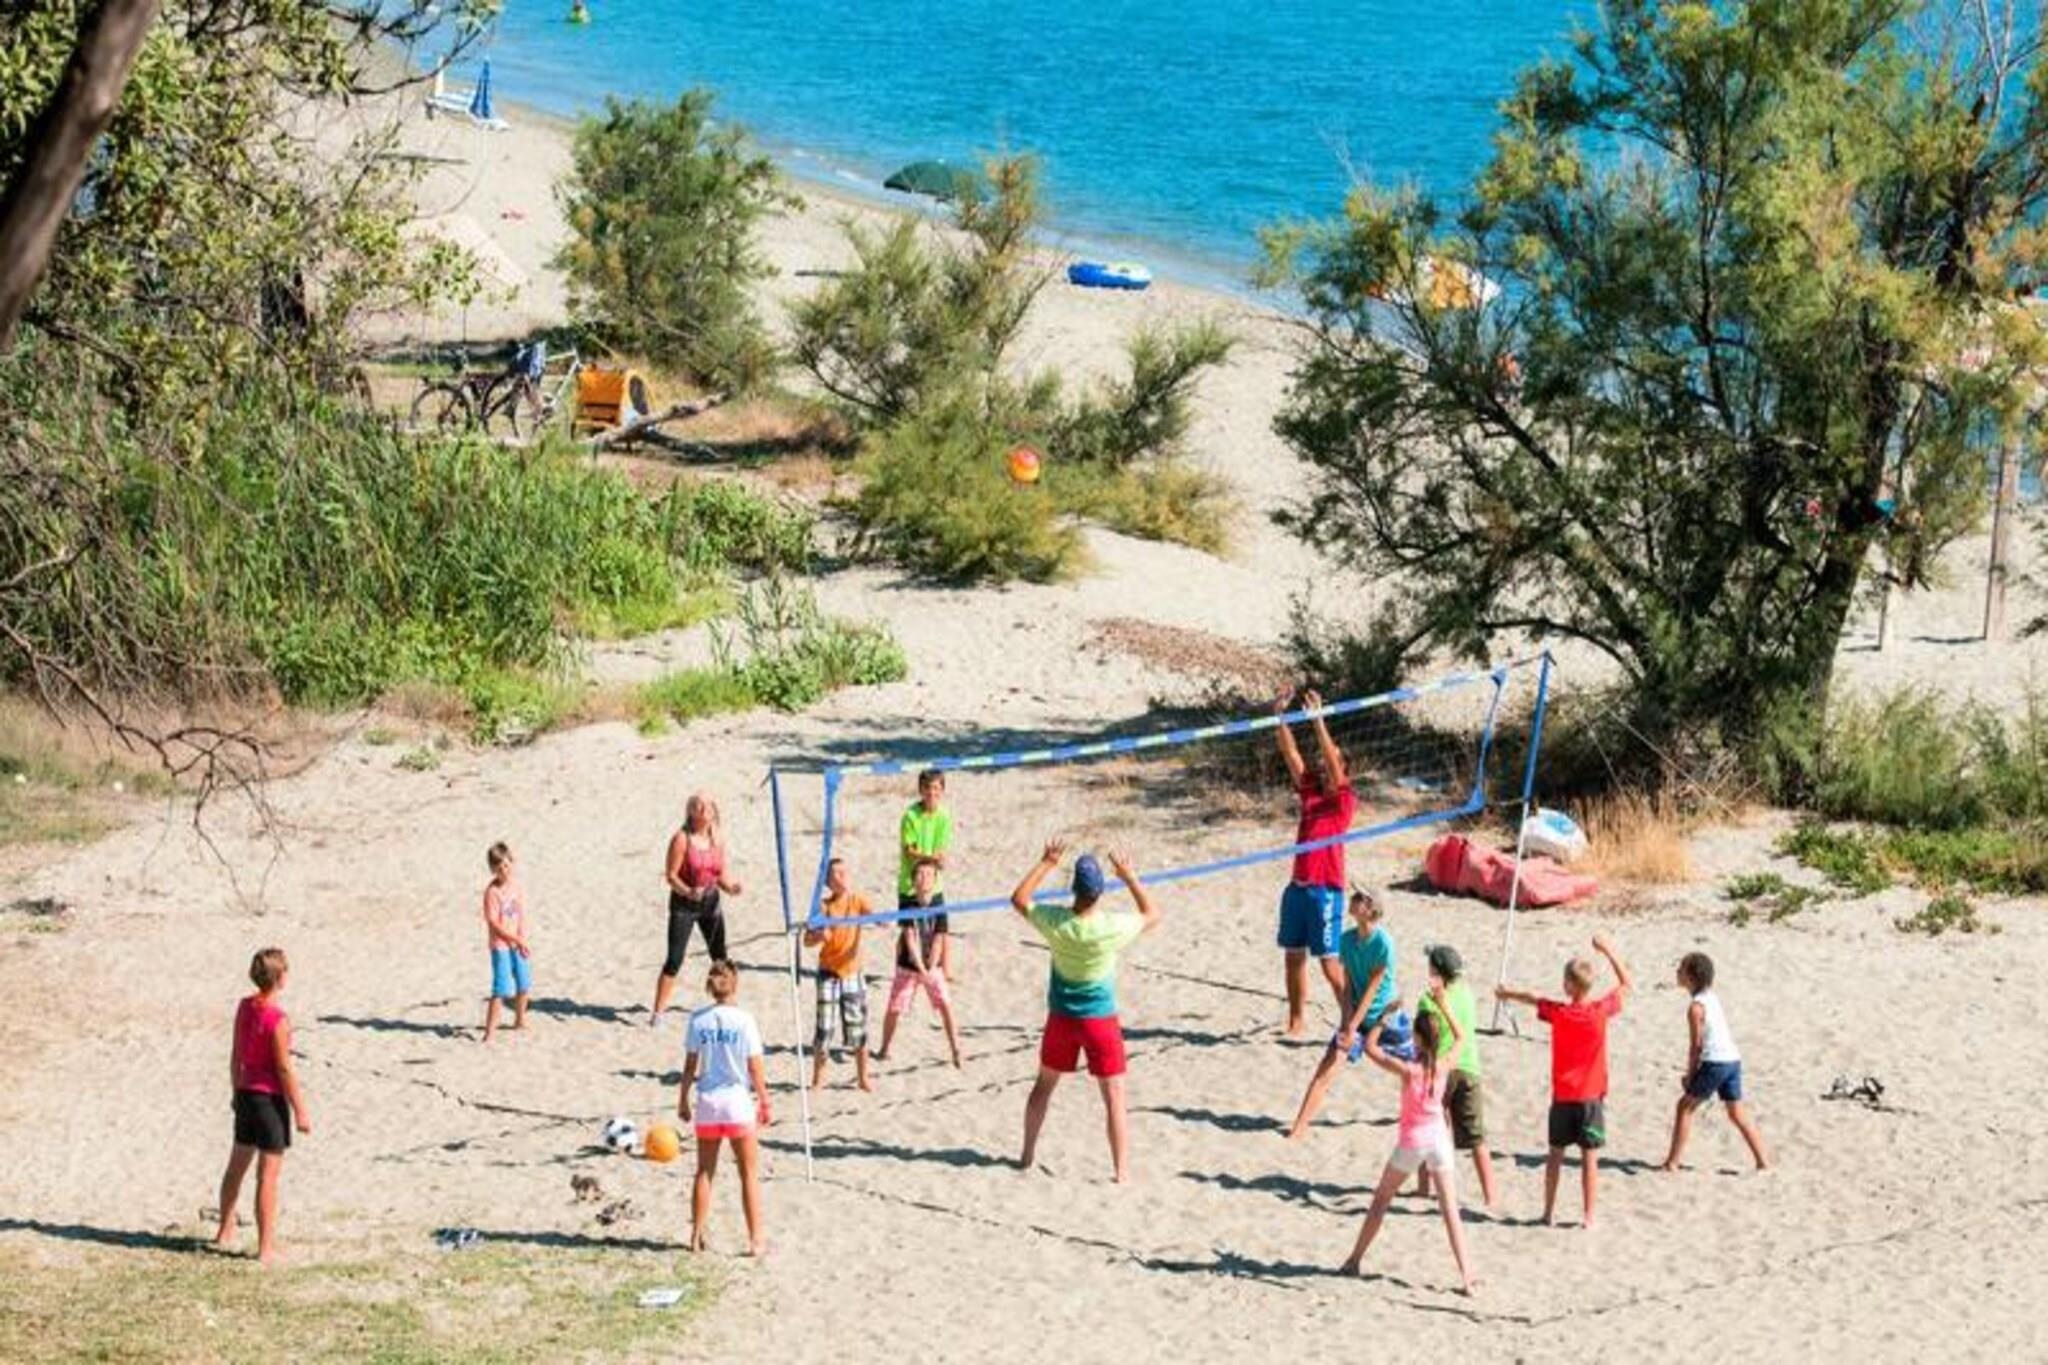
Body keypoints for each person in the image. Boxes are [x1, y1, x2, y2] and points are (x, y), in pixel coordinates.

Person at [1010, 840, 1163, 1183]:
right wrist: (1129, 877)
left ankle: (1026, 1155)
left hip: (1062, 1018)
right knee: (1114, 1097)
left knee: (1043, 1087)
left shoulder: (1057, 922)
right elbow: (1153, 914)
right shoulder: (1110, 926)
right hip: (1100, 1021)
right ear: (1099, 892)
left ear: (1074, 889)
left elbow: (1019, 898)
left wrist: (1046, 862)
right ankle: (1121, 1172)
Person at [1338, 996, 1477, 1295]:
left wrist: (1384, 1017)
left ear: (1417, 1038)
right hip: (1439, 1141)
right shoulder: (1444, 1065)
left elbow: (1371, 1048)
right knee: (1450, 1210)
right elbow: (1461, 1037)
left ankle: (1354, 1260)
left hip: (1412, 1143)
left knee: (1380, 1201)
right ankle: (1467, 1277)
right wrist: (1444, 1006)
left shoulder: (1408, 1070)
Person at [1496, 933, 1632, 1228]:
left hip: (1563, 1098)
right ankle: (1589, 1216)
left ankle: (1548, 1212)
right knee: (1589, 1159)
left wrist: (1507, 994)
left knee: (1555, 1156)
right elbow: (1626, 984)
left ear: (1569, 985)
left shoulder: (1559, 1013)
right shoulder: (1599, 1012)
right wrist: (1608, 950)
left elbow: (1533, 998)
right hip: (1591, 1099)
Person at [213, 948, 312, 1264]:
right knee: (267, 1177)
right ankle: (266, 1248)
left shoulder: (245, 1007)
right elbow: (283, 1068)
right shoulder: (277, 1019)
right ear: (280, 978)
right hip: (269, 1100)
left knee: (236, 1166)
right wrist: (300, 1109)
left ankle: (224, 1230)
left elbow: (236, 1054)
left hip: (245, 1092)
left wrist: (235, 1089)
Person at [1273, 688, 1357, 1035]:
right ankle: (1296, 1021)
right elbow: (1290, 752)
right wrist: (1280, 716)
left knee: (1329, 964)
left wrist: (1319, 721)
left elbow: (1334, 767)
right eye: (1322, 760)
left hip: (1326, 892)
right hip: (1297, 889)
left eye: (1330, 760)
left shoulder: (1344, 800)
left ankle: (1352, 1023)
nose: (1323, 763)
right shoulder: (1310, 789)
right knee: (1293, 957)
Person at [1285, 887, 1397, 1139]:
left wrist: (1353, 1025)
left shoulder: (1384, 944)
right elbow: (1347, 986)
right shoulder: (1346, 939)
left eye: (1359, 898)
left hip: (1386, 1016)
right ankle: (1299, 1128)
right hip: (1356, 1013)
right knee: (1328, 1065)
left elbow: (1372, 990)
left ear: (1371, 910)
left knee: (1410, 1069)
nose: (1352, 899)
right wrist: (1347, 1022)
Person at [677, 960, 770, 1256]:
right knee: (748, 1174)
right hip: (736, 1103)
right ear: (735, 984)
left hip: (708, 1103)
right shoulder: (744, 1020)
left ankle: (696, 1234)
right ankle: (755, 1240)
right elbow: (755, 1068)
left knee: (704, 1172)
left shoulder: (698, 1020)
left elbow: (690, 1066)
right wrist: (765, 1100)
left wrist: (682, 1098)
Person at [1660, 952, 1770, 1172]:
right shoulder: (1712, 997)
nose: (1677, 972)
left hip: (1715, 1062)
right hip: (1733, 1060)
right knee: (1736, 1112)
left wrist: (1691, 1076)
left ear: (1691, 977)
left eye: (1681, 969)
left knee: (1684, 1107)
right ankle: (1763, 1161)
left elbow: (1696, 1046)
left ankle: (1672, 1162)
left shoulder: (1695, 1008)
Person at [1413, 944, 1499, 1209]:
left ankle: (1424, 1188)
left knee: (1430, 1129)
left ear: (1436, 972)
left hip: (1439, 1069)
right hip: (1469, 1068)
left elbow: (1423, 1039)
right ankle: (1491, 1196)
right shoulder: (1467, 994)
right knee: (1477, 1138)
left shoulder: (1427, 1000)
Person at [652, 794, 742, 1025]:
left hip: (710, 902)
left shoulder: (717, 838)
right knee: (674, 959)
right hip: (684, 905)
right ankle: (657, 1013)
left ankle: (728, 1004)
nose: (703, 807)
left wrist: (731, 888)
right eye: (698, 804)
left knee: (720, 957)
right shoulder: (681, 839)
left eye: (708, 804)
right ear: (690, 811)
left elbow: (719, 874)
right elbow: (671, 876)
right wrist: (688, 891)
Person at [875, 858, 962, 1067]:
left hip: (932, 966)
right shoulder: (907, 904)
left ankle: (956, 1049)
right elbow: (910, 938)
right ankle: (884, 1049)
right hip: (908, 965)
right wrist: (921, 968)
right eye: (920, 874)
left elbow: (939, 940)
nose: (924, 878)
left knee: (946, 1006)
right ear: (914, 880)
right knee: (894, 1008)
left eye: (929, 874)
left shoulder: (939, 907)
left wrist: (930, 968)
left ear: (935, 879)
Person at [803, 857, 874, 1091]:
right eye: (837, 874)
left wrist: (882, 920)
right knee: (824, 1028)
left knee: (858, 1027)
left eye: (845, 872)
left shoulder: (857, 900)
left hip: (852, 971)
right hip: (829, 973)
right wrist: (818, 936)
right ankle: (818, 1078)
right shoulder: (823, 907)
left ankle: (863, 1077)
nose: (843, 876)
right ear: (828, 882)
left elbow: (875, 916)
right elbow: (806, 941)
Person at [899, 768, 957, 980]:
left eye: (936, 788)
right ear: (920, 790)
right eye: (927, 788)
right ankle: (906, 966)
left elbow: (941, 848)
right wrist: (933, 859)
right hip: (910, 883)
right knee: (908, 930)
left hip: (934, 883)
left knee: (942, 928)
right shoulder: (910, 815)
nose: (932, 792)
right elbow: (909, 850)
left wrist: (939, 860)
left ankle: (946, 970)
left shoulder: (944, 816)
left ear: (942, 790)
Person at [481, 841, 531, 1042]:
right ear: (493, 869)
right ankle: (489, 1033)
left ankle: (520, 1020)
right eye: (499, 867)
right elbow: (493, 923)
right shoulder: (492, 892)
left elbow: (521, 914)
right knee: (500, 989)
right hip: (500, 946)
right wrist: (513, 938)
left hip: (518, 943)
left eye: (507, 865)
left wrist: (522, 938)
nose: (504, 871)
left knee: (524, 983)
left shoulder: (516, 887)